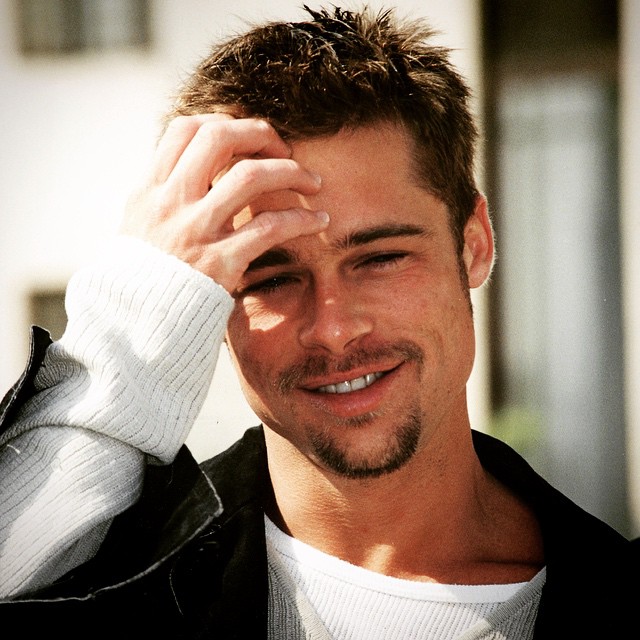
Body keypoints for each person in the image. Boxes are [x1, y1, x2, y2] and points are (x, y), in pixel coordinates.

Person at [0, 5, 635, 638]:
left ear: (474, 245)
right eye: (271, 278)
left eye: (380, 259)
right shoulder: (124, 592)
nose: (333, 329)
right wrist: (129, 331)